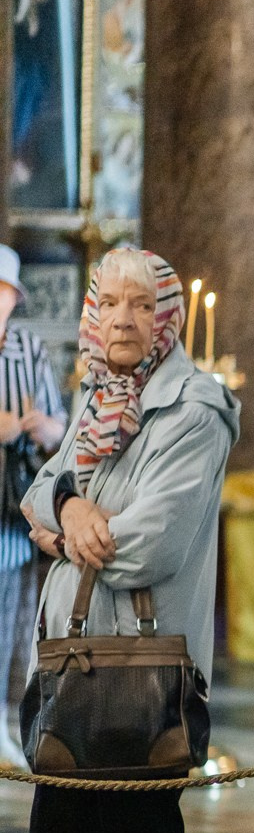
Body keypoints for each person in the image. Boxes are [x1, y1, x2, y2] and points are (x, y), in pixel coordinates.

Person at [0, 249, 237, 833]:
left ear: (168, 317)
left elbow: (150, 545)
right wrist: (69, 505)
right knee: (58, 832)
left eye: (142, 304)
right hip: (73, 651)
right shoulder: (100, 394)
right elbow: (38, 488)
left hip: (143, 655)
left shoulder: (194, 410)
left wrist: (65, 527)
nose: (124, 319)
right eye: (110, 303)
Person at [0, 244, 68, 768]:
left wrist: (46, 428)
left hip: (11, 507)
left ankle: (3, 723)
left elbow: (60, 424)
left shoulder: (27, 347)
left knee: (14, 622)